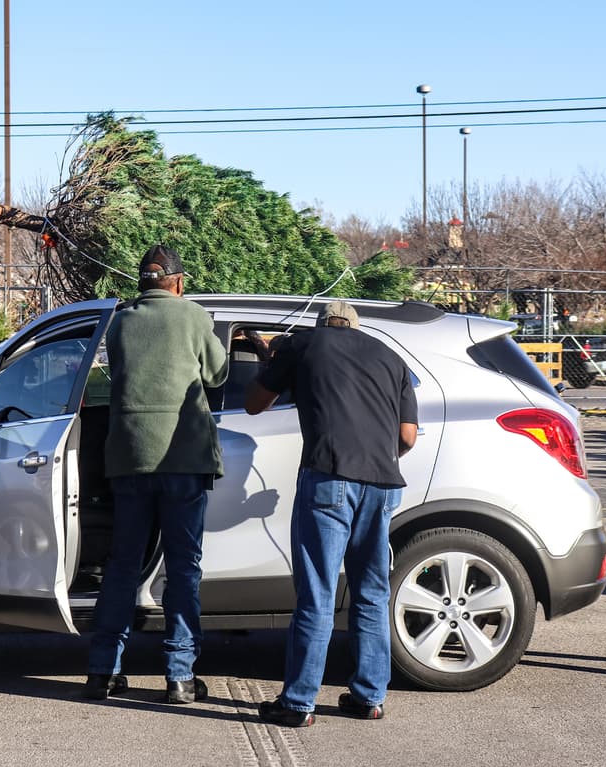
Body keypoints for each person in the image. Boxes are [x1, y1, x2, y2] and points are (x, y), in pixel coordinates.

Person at [244, 300, 418, 727]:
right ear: (354, 327)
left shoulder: (302, 346)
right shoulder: (391, 356)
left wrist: (270, 361)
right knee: (373, 593)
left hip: (329, 479)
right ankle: (369, 697)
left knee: (318, 593)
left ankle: (299, 702)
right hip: (383, 485)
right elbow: (408, 437)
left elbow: (253, 405)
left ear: (323, 324)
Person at [84, 244, 229, 704]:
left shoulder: (121, 323)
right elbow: (218, 375)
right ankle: (180, 676)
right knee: (183, 569)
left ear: (142, 282)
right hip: (183, 460)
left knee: (123, 566)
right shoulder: (193, 317)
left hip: (130, 459)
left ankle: (102, 671)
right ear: (179, 282)